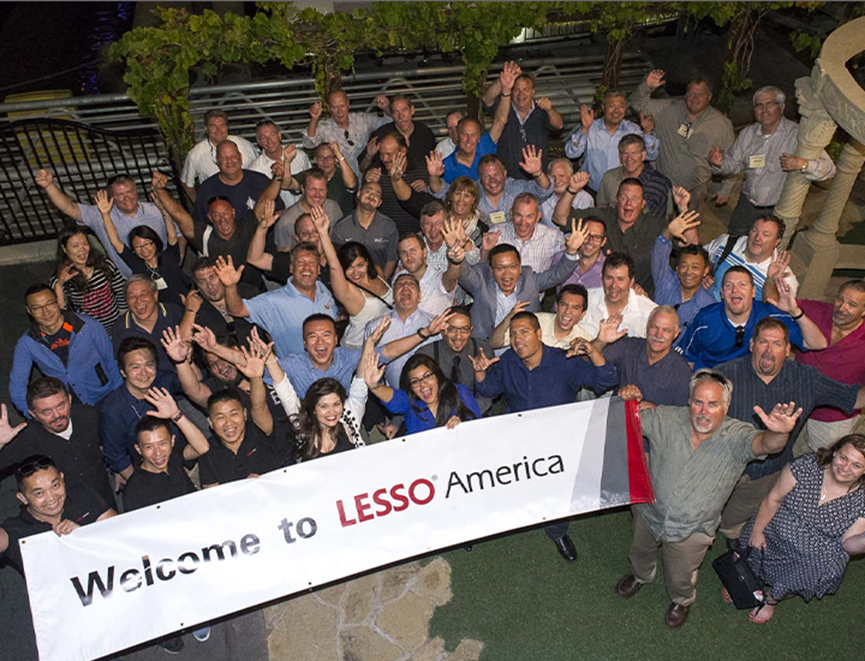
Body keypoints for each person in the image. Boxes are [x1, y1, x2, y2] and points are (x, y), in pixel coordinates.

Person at [615, 370, 803, 629]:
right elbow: (626, 415)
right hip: (648, 513)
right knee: (640, 550)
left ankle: (681, 599)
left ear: (726, 407)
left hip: (692, 530)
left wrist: (779, 434)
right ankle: (640, 575)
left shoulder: (737, 436)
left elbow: (765, 444)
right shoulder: (666, 418)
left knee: (682, 573)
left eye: (713, 404)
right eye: (698, 402)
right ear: (689, 401)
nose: (703, 411)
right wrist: (625, 397)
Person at [470, 311, 618, 561]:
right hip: (518, 438)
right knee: (510, 481)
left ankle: (557, 531)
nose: (517, 340)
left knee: (560, 491)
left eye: (524, 332)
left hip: (557, 443)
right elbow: (489, 388)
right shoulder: (508, 361)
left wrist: (593, 351)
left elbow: (606, 380)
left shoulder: (565, 361)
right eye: (513, 334)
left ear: (539, 334)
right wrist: (480, 373)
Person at [713, 317, 864, 540]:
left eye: (777, 344)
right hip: (723, 464)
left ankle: (737, 524)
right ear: (752, 345)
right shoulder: (724, 375)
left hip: (766, 472)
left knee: (728, 523)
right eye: (763, 342)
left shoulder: (807, 379)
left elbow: (853, 398)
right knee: (704, 518)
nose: (769, 350)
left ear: (787, 350)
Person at [736, 434, 865, 624]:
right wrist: (757, 531)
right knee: (750, 550)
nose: (845, 468)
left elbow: (848, 545)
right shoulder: (806, 465)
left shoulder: (862, 500)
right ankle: (741, 579)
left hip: (813, 553)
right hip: (775, 528)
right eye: (843, 458)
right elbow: (773, 498)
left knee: (812, 568)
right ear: (835, 451)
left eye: (856, 465)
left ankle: (771, 599)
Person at [709, 85, 836, 238]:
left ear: (781, 107)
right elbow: (733, 165)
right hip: (746, 205)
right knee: (733, 239)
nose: (764, 110)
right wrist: (719, 163)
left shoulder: (797, 135)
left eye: (770, 104)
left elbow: (829, 169)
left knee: (764, 248)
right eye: (759, 105)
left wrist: (803, 164)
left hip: (774, 212)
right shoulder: (748, 134)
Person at [556, 179, 695, 297]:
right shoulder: (602, 216)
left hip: (641, 298)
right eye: (624, 198)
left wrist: (683, 208)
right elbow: (559, 218)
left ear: (643, 204)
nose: (628, 204)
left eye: (634, 199)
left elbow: (692, 245)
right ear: (616, 200)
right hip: (602, 293)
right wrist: (571, 190)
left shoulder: (655, 226)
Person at [267, 324, 383, 461]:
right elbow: (284, 390)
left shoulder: (349, 417)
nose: (331, 411)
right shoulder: (303, 424)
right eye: (324, 406)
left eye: (336, 404)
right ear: (313, 409)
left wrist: (370, 343)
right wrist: (269, 358)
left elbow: (360, 381)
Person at [450, 224, 586, 340]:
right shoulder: (482, 280)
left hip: (523, 348)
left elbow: (557, 275)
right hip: (485, 347)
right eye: (500, 268)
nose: (507, 273)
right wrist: (456, 255)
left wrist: (571, 251)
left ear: (520, 268)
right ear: (491, 270)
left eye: (512, 267)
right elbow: (464, 274)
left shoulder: (530, 280)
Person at [678, 266, 825, 370]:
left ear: (753, 291)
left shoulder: (769, 317)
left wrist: (795, 312)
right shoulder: (705, 319)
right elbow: (687, 358)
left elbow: (817, 344)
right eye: (729, 286)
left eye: (742, 285)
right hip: (709, 377)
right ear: (722, 293)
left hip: (748, 379)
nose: (735, 290)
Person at [628, 70, 735, 210]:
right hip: (663, 184)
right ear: (685, 94)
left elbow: (733, 158)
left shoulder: (722, 124)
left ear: (709, 97)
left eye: (700, 95)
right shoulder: (666, 109)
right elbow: (637, 105)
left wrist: (726, 189)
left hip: (695, 188)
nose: (695, 98)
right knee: (660, 221)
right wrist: (646, 86)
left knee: (690, 222)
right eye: (691, 93)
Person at [10, 284, 122, 416]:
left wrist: (121, 395)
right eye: (37, 308)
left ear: (58, 302)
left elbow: (111, 361)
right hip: (66, 408)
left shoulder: (88, 326)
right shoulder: (27, 343)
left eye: (49, 303)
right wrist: (33, 414)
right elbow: (17, 384)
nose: (46, 312)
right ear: (29, 311)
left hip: (103, 396)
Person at [34, 169, 168, 278]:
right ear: (112, 197)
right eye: (120, 194)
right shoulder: (101, 214)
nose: (127, 197)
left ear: (136, 191)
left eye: (130, 192)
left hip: (165, 272)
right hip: (131, 280)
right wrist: (49, 186)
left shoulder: (155, 210)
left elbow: (176, 235)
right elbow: (70, 208)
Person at [0, 379, 113, 506]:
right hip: (61, 508)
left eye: (60, 406)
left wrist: (119, 468)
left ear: (69, 400)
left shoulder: (88, 415)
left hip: (103, 497)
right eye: (46, 411)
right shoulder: (26, 438)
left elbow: (113, 443)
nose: (57, 415)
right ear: (33, 414)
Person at [198, 339, 294, 487]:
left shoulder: (259, 432)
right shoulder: (209, 453)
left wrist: (255, 378)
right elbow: (211, 495)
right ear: (210, 422)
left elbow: (259, 406)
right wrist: (242, 488)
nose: (229, 423)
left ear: (244, 414)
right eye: (220, 418)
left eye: (234, 414)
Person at [0, 455, 116, 576]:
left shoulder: (82, 496)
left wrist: (83, 536)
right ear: (23, 498)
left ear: (62, 479)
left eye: (55, 486)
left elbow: (120, 536)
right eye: (39, 493)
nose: (51, 497)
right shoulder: (16, 530)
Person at [217, 245, 336, 358]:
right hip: (295, 371)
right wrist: (230, 286)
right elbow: (236, 310)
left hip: (333, 368)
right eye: (300, 263)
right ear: (291, 268)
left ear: (318, 269)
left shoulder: (325, 291)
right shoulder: (272, 301)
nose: (306, 267)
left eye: (311, 263)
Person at [787, 279, 865, 450]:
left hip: (833, 417)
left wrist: (851, 401)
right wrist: (772, 279)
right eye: (840, 299)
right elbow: (776, 303)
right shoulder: (817, 310)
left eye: (852, 304)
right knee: (778, 452)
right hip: (792, 403)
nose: (842, 308)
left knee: (829, 461)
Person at [152, 173, 267, 290]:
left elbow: (265, 201)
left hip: (257, 290)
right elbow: (180, 216)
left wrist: (277, 178)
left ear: (233, 212)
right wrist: (160, 190)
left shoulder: (246, 227)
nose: (222, 219)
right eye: (216, 215)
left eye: (226, 213)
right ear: (210, 217)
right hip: (222, 294)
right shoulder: (205, 235)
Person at [99, 338, 183, 486]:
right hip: (146, 473)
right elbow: (117, 457)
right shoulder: (113, 409)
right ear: (123, 372)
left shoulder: (164, 382)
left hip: (181, 461)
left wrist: (183, 361)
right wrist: (143, 484)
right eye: (135, 367)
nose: (143, 373)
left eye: (149, 365)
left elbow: (194, 387)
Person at [93, 184, 190, 306]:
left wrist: (164, 210)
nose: (144, 250)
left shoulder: (169, 256)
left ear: (155, 243)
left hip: (185, 304)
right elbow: (115, 242)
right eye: (138, 247)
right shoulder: (137, 264)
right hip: (160, 311)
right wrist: (105, 214)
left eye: (147, 244)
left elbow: (172, 235)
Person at [312, 206, 393, 349]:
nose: (355, 272)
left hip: (385, 343)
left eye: (360, 265)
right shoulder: (348, 291)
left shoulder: (378, 272)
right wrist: (323, 233)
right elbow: (334, 266)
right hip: (356, 349)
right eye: (349, 267)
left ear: (368, 262)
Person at [123, 389, 210, 511]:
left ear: (172, 441)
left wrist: (176, 414)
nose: (158, 452)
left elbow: (202, 448)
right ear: (138, 449)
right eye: (149, 447)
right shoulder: (135, 490)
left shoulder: (172, 457)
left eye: (162, 443)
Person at [565, 89, 658, 192]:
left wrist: (647, 133)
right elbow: (571, 154)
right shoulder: (591, 127)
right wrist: (584, 129)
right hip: (591, 191)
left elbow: (651, 155)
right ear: (603, 107)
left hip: (623, 193)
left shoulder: (633, 130)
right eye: (611, 106)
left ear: (625, 108)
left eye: (620, 106)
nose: (616, 110)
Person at [481, 63, 564, 179]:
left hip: (536, 179)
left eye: (525, 89)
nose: (521, 94)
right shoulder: (503, 107)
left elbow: (559, 125)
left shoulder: (541, 110)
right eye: (517, 90)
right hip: (506, 179)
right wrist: (502, 81)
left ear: (533, 92)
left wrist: (550, 110)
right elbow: (487, 99)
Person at [365, 352, 480, 434]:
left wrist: (463, 426)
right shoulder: (410, 400)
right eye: (415, 382)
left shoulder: (459, 391)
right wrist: (374, 385)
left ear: (437, 375)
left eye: (427, 376)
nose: (423, 384)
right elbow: (394, 399)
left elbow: (478, 428)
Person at [601, 306, 693, 407]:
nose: (658, 335)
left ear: (676, 334)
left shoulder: (681, 372)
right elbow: (591, 358)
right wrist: (600, 341)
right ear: (647, 327)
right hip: (616, 413)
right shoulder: (629, 347)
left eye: (666, 330)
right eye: (654, 327)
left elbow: (683, 413)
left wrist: (655, 410)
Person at [443, 65, 517, 183]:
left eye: (473, 135)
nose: (469, 140)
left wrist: (506, 90)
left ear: (478, 137)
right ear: (458, 135)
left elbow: (500, 120)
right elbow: (438, 189)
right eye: (465, 135)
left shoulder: (485, 145)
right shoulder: (446, 166)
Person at [50, 226, 128, 336]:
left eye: (85, 244)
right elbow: (60, 314)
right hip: (89, 334)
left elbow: (120, 291)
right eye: (75, 246)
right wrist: (59, 284)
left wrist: (123, 321)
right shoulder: (59, 279)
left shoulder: (104, 264)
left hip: (117, 329)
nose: (82, 250)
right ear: (64, 249)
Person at [417, 306, 495, 415]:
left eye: (464, 329)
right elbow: (417, 394)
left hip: (476, 412)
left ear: (471, 330)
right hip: (438, 414)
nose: (458, 336)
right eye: (452, 329)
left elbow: (489, 393)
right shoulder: (426, 354)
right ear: (442, 330)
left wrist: (467, 413)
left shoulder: (483, 350)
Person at [191, 140, 284, 225]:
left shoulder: (260, 180)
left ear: (240, 157)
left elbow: (279, 211)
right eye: (224, 158)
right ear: (217, 161)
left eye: (233, 156)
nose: (229, 161)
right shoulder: (206, 189)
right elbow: (199, 225)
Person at [704, 215, 797, 301]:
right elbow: (702, 259)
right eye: (754, 231)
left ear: (777, 241)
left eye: (765, 235)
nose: (757, 238)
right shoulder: (727, 243)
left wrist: (770, 281)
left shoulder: (784, 278)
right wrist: (703, 275)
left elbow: (774, 310)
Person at [302, 89, 392, 174]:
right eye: (335, 107)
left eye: (342, 106)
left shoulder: (362, 119)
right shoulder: (325, 127)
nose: (339, 111)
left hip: (365, 175)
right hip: (340, 178)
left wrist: (386, 108)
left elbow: (389, 123)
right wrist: (314, 119)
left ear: (348, 104)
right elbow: (309, 143)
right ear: (329, 108)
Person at [180, 108, 258, 202]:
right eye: (213, 126)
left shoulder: (245, 145)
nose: (218, 130)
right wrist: (201, 204)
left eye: (222, 125)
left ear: (227, 127)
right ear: (206, 129)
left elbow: (258, 173)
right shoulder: (196, 154)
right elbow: (187, 184)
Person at [113, 276, 187, 373]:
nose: (138, 301)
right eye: (132, 297)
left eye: (143, 294)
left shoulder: (174, 313)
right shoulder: (120, 328)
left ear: (155, 295)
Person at [365, 131, 434, 235]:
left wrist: (428, 190)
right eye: (381, 154)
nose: (384, 159)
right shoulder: (375, 171)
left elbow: (436, 202)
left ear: (403, 151)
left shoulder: (421, 169)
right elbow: (360, 205)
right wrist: (368, 185)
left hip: (417, 233)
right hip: (385, 233)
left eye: (389, 154)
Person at [490, 284, 593, 351]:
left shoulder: (584, 340)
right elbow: (494, 343)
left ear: (582, 314)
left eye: (575, 308)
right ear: (556, 306)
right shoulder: (535, 321)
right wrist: (508, 319)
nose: (567, 311)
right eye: (564, 305)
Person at [579, 253, 658, 340]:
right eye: (609, 278)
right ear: (602, 278)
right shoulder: (583, 300)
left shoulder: (649, 313)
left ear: (631, 281)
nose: (614, 285)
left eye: (620, 279)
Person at [182, 256, 257, 346]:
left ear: (222, 275)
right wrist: (190, 312)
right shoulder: (197, 308)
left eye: (212, 277)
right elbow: (182, 345)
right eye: (202, 282)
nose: (210, 286)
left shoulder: (248, 293)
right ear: (197, 286)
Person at [651, 231, 715, 335]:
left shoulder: (709, 307)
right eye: (684, 266)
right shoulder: (666, 282)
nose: (688, 272)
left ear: (705, 271)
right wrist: (668, 232)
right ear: (677, 268)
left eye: (695, 267)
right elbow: (659, 252)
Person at [331, 181, 399, 278]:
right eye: (368, 191)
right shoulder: (341, 227)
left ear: (380, 203)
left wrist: (381, 282)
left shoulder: (389, 226)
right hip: (350, 282)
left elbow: (391, 259)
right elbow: (337, 261)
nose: (372, 196)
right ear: (359, 194)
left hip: (379, 281)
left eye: (377, 195)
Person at [596, 134, 672, 219]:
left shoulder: (661, 183)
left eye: (634, 153)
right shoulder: (609, 178)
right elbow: (601, 208)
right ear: (619, 156)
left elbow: (667, 216)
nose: (629, 158)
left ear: (643, 155)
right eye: (625, 154)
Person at [484, 192, 564, 273]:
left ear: (538, 217)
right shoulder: (496, 233)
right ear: (511, 213)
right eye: (518, 215)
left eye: (529, 216)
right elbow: (482, 271)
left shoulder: (554, 238)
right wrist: (485, 251)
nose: (523, 222)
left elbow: (564, 271)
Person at [273, 168, 343, 252]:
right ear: (303, 189)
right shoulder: (286, 222)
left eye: (321, 190)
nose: (317, 194)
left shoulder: (333, 208)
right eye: (312, 189)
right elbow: (283, 256)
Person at [248, 119, 311, 208]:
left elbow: (311, 183)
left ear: (279, 135)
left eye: (272, 135)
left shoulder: (299, 156)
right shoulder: (255, 169)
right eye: (263, 138)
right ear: (259, 142)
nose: (269, 141)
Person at [362, 95, 437, 169]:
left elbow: (433, 165)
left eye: (404, 110)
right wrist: (369, 157)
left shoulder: (425, 133)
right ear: (392, 114)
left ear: (412, 110)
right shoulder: (381, 135)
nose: (401, 116)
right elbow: (362, 169)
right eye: (396, 112)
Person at [394, 232, 456, 317]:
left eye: (413, 251)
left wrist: (455, 261)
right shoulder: (398, 278)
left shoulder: (439, 278)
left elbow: (452, 277)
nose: (409, 257)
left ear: (424, 252)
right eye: (404, 253)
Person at [305, 142, 357, 216]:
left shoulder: (344, 174)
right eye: (321, 158)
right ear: (315, 159)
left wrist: (339, 154)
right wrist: (288, 162)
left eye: (329, 157)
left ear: (335, 159)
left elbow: (351, 184)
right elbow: (290, 183)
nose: (325, 161)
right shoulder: (310, 175)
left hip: (341, 220)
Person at [556, 216, 607, 291]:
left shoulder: (607, 268)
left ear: (603, 242)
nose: (590, 241)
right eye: (586, 235)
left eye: (596, 237)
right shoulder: (560, 258)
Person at [540, 159, 594, 228]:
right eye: (553, 177)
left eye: (561, 176)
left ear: (571, 176)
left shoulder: (584, 199)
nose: (557, 180)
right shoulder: (542, 198)